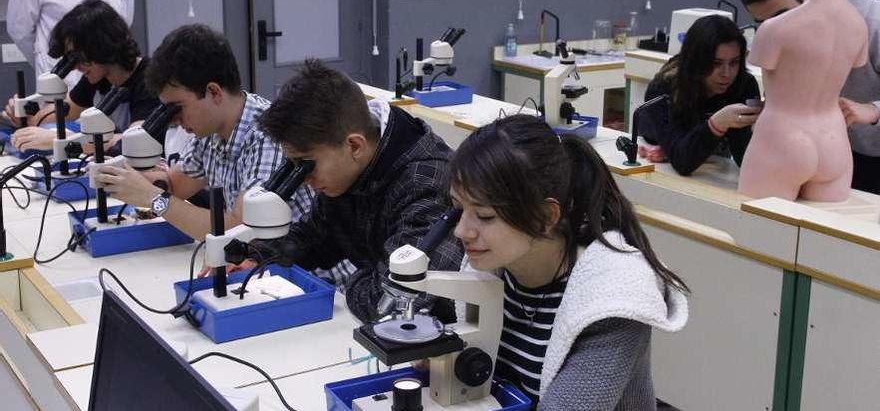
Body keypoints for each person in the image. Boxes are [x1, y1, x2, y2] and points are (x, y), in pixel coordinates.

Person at [449, 114, 688, 409]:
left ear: (546, 217)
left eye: (485, 216)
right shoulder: (492, 265)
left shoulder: (613, 301)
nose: (461, 231)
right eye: (458, 208)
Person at [245, 59, 463, 323]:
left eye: (306, 166)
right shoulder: (350, 166)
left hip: (428, 341)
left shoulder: (426, 182)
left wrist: (355, 279)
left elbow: (393, 303)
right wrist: (254, 256)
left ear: (355, 146)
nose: (304, 180)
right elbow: (315, 239)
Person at [93, 24, 313, 241]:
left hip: (303, 272)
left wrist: (152, 198)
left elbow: (243, 232)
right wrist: (120, 177)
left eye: (177, 107)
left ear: (214, 92)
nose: (175, 119)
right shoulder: (211, 129)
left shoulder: (268, 135)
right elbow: (174, 184)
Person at [738, 0, 880, 195]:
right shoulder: (779, 33)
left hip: (868, 153)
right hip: (824, 145)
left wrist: (873, 110)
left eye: (781, 15)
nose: (776, 27)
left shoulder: (872, 23)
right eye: (762, 22)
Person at [5, 0, 157, 153]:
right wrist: (25, 117)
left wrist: (59, 141)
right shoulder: (99, 76)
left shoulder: (149, 79)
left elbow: (135, 142)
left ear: (101, 46)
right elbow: (65, 110)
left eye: (79, 58)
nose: (77, 67)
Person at [638, 15, 762, 176]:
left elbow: (745, 157)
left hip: (709, 164)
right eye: (716, 64)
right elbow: (682, 162)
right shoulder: (664, 88)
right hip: (658, 164)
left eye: (734, 62)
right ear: (697, 61)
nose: (727, 74)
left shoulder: (744, 84)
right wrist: (717, 123)